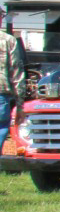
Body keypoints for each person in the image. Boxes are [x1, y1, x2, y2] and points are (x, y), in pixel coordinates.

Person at [0, 8, 26, 149]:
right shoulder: (8, 40)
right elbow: (16, 71)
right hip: (1, 93)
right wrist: (20, 104)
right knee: (1, 127)